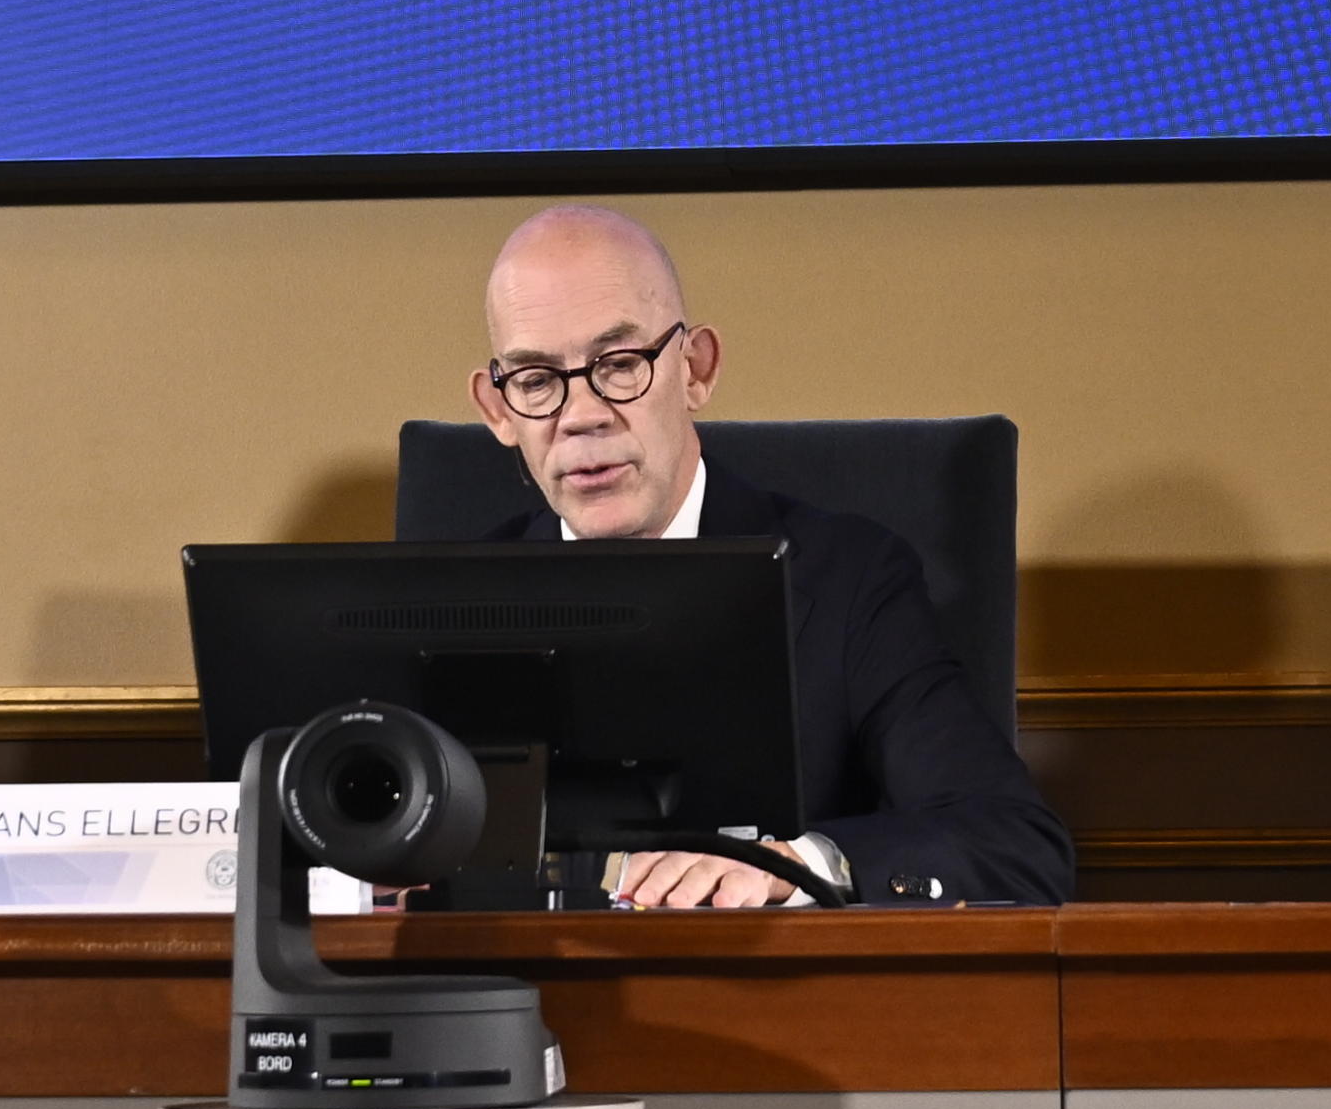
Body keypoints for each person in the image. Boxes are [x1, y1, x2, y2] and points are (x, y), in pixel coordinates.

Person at [422, 203, 1073, 904]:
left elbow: (1014, 844)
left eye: (617, 365)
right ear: (497, 410)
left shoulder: (848, 580)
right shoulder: (454, 605)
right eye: (536, 381)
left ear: (696, 369)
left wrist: (800, 864)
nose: (581, 416)